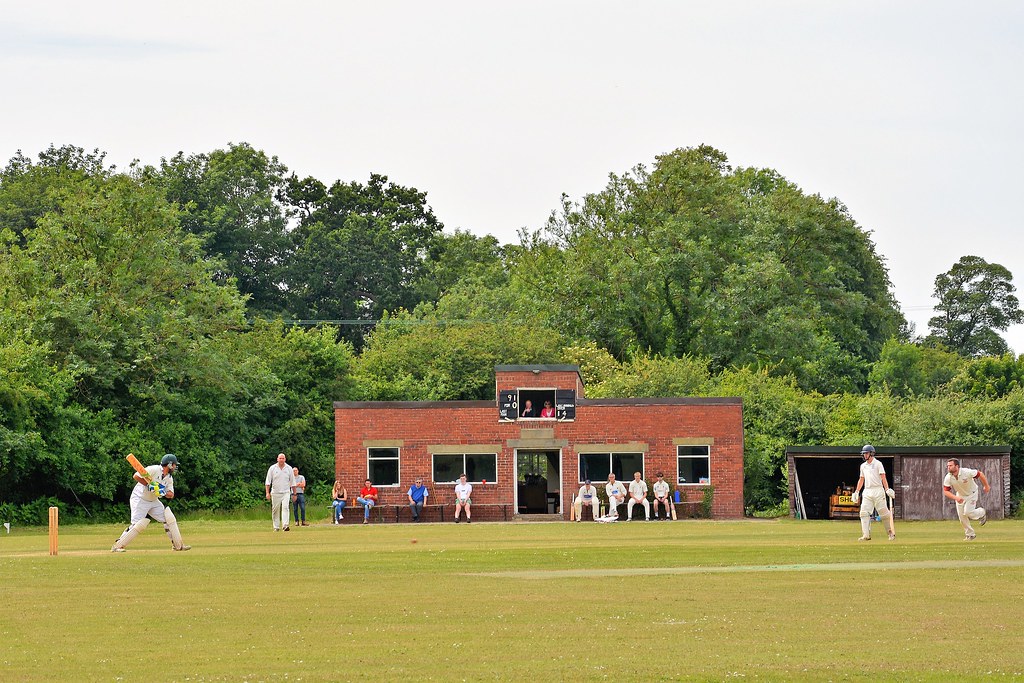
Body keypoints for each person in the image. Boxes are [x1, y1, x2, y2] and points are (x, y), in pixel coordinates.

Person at [111, 454, 190, 552]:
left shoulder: (169, 478)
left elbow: (171, 494)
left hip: (153, 501)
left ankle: (177, 545)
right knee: (136, 524)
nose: (175, 467)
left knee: (168, 519)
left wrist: (163, 492)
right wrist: (149, 485)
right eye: (174, 465)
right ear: (169, 464)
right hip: (140, 498)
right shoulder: (154, 469)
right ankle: (117, 546)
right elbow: (136, 476)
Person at [851, 444, 896, 541]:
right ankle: (866, 535)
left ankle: (890, 533)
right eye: (864, 454)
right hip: (867, 491)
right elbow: (861, 479)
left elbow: (883, 477)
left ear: (871, 453)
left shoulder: (878, 464)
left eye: (866, 453)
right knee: (863, 513)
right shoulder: (863, 466)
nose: (864, 455)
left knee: (884, 513)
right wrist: (857, 491)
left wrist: (887, 489)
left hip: (878, 490)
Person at [943, 458, 990, 541]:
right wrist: (956, 498)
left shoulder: (966, 472)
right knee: (962, 517)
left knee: (968, 512)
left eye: (950, 465)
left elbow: (980, 474)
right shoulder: (948, 477)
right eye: (948, 466)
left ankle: (982, 512)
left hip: (972, 494)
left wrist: (986, 486)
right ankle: (970, 535)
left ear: (957, 466)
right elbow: (946, 491)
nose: (948, 467)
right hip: (960, 496)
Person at [265, 453, 296, 531]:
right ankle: (276, 527)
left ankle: (285, 525)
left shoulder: (289, 468)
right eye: (280, 458)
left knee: (285, 508)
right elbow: (268, 482)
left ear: (285, 459)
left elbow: (293, 482)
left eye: (283, 458)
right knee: (275, 510)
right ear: (277, 459)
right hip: (275, 492)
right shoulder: (272, 468)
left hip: (286, 492)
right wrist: (267, 493)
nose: (281, 460)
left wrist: (294, 494)